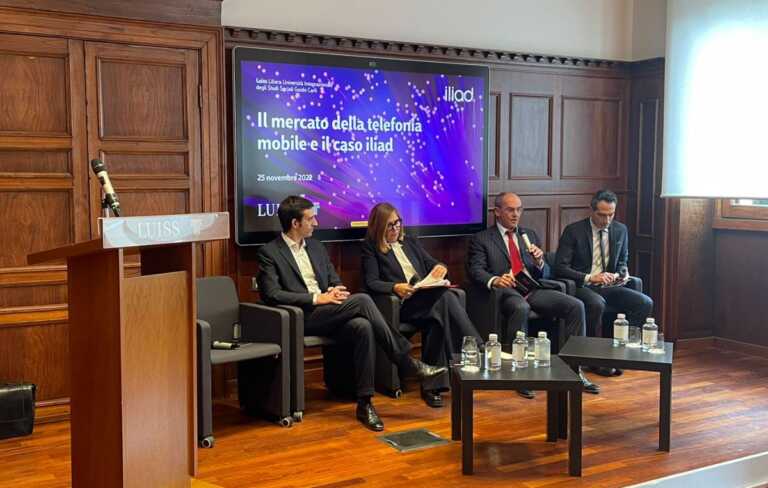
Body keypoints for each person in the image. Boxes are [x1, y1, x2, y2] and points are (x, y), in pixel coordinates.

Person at [257, 196, 446, 431]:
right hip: (302, 316)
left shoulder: (316, 247)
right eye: (311, 218)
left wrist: (334, 290)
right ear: (295, 223)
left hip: (330, 311)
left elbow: (334, 279)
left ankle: (365, 403)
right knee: (364, 299)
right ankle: (405, 361)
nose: (316, 223)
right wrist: (316, 298)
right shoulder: (270, 252)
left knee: (362, 326)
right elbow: (272, 294)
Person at [466, 192, 599, 395]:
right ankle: (520, 375)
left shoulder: (529, 235)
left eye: (519, 209)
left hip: (533, 289)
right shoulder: (482, 239)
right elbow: (476, 270)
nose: (516, 214)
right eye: (510, 210)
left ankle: (574, 370)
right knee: (521, 307)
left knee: (576, 306)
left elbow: (544, 273)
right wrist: (495, 280)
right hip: (506, 291)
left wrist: (539, 262)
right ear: (497, 212)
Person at [361, 203, 483, 408]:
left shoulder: (410, 242)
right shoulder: (371, 248)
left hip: (426, 301)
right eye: (390, 225)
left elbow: (433, 263)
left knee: (438, 318)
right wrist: (395, 287)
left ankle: (432, 387)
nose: (396, 228)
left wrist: (440, 268)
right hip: (401, 306)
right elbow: (371, 282)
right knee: (446, 298)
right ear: (379, 227)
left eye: (398, 223)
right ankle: (476, 346)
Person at [554, 189, 654, 376]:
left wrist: (623, 273)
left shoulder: (620, 230)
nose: (607, 220)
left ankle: (619, 353)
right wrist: (590, 277)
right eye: (602, 215)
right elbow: (559, 267)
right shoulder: (574, 231)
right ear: (591, 210)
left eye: (611, 215)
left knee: (644, 303)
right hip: (582, 285)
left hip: (609, 286)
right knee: (597, 303)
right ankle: (594, 359)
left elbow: (623, 260)